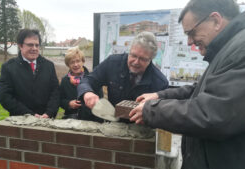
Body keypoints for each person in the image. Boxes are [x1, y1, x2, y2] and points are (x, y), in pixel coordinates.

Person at [129, 0, 245, 168]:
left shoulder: (240, 51)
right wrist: (160, 96)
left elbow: (211, 114)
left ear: (216, 21)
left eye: (192, 32)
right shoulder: (229, 49)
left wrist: (152, 111)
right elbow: (198, 90)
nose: (190, 42)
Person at [77, 31, 168, 111]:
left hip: (141, 125)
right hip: (112, 120)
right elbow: (87, 80)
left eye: (143, 59)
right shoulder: (112, 63)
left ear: (151, 59)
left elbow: (160, 113)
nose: (136, 62)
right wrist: (87, 92)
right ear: (129, 50)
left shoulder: (160, 82)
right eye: (133, 55)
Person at [0, 29, 59, 118]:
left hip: (46, 120)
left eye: (37, 45)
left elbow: (55, 92)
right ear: (20, 45)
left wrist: (49, 113)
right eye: (30, 45)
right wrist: (29, 114)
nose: (34, 48)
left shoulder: (49, 66)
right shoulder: (8, 68)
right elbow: (5, 97)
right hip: (20, 122)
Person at [60, 47, 103, 122]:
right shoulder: (65, 80)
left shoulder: (92, 78)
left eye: (78, 61)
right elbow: (60, 100)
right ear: (68, 65)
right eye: (72, 62)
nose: (75, 65)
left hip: (91, 119)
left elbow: (101, 98)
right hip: (71, 119)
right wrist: (69, 104)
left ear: (83, 62)